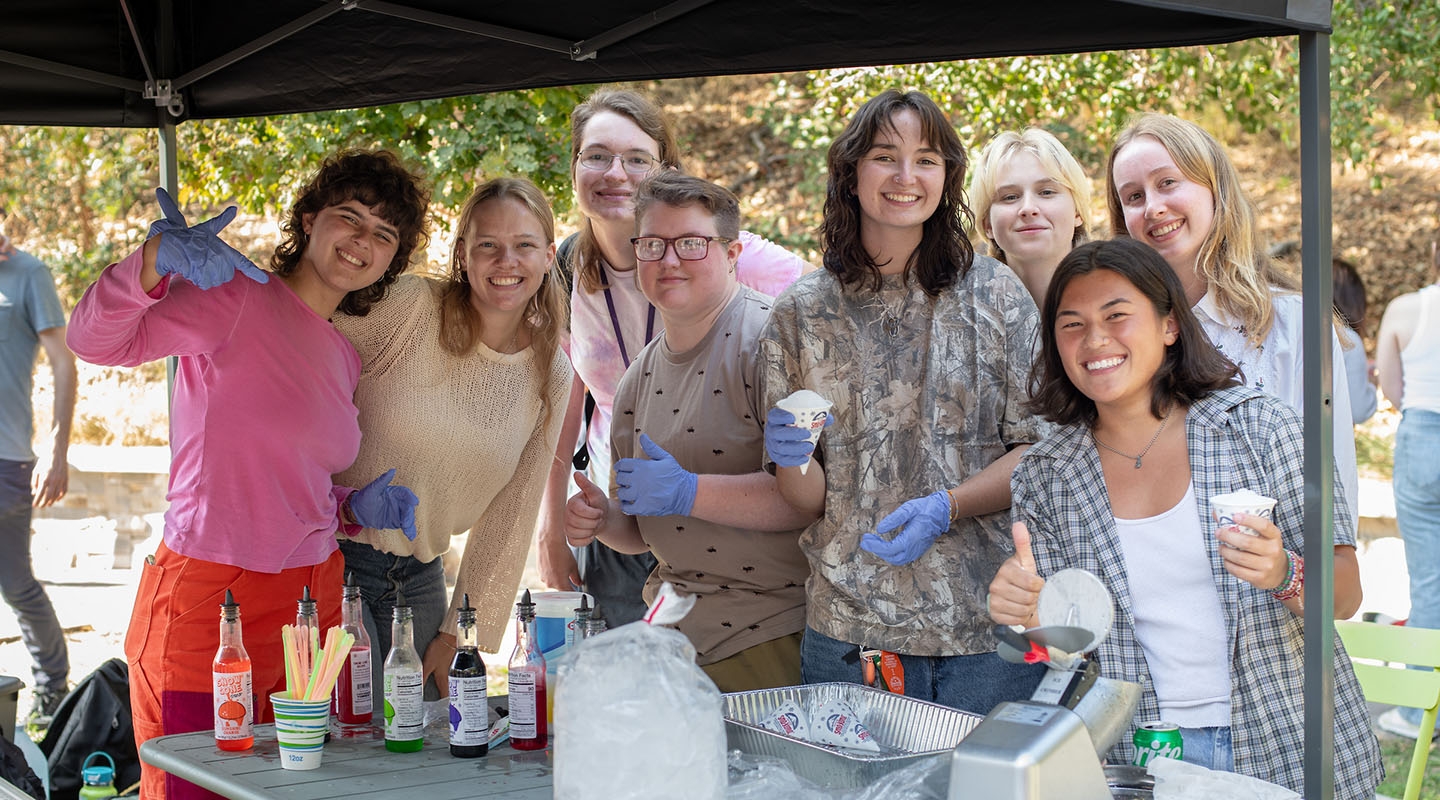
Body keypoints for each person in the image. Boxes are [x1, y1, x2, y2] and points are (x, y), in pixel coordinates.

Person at [67, 150, 427, 800]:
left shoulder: (343, 354)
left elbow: (285, 475)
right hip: (215, 602)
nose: (362, 241)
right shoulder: (234, 297)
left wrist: (350, 507)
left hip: (309, 610)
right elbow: (96, 343)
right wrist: (149, 263)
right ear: (310, 219)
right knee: (193, 789)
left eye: (384, 234)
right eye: (349, 217)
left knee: (291, 788)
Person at [988, 237, 1381, 796]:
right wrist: (1026, 618)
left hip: (1286, 738)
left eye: (1117, 315)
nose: (1095, 339)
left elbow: (1346, 595)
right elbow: (1057, 653)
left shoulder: (1261, 429)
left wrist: (1283, 573)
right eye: (1071, 324)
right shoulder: (1046, 476)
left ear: (1169, 325)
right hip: (1140, 755)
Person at [757, 90, 1048, 712]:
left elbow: (1040, 452)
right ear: (851, 172)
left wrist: (949, 505)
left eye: (927, 159)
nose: (907, 177)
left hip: (987, 634)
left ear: (948, 176)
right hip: (850, 632)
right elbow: (806, 500)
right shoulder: (801, 313)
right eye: (886, 156)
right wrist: (792, 460)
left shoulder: (998, 295)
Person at [537, 88, 808, 627]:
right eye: (597, 156)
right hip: (625, 513)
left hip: (729, 515)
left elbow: (826, 314)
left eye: (637, 159)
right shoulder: (567, 267)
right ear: (574, 168)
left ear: (665, 170)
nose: (616, 173)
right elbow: (564, 401)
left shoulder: (724, 253)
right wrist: (553, 526)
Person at [563, 172, 815, 690]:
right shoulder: (635, 380)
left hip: (769, 634)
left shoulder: (774, 346)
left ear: (731, 253)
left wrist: (689, 491)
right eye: (653, 244)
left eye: (691, 244)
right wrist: (601, 518)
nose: (669, 260)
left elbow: (809, 501)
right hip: (669, 635)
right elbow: (637, 534)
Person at [332, 177, 572, 697]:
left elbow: (513, 511)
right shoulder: (410, 308)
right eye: (488, 244)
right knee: (352, 743)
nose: (505, 261)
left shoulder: (551, 370)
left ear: (549, 256)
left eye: (524, 246)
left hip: (421, 577)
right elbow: (302, 339)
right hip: (333, 560)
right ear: (463, 254)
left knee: (423, 742)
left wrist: (457, 629)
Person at [1106, 112, 1359, 537]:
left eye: (1168, 182)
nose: (1153, 207)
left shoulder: (1290, 321)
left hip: (1268, 581)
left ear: (1214, 188)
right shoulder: (1117, 331)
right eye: (1133, 196)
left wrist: (1316, 587)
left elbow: (1333, 477)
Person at [0, 221, 75, 732]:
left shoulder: (28, 274)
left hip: (6, 459)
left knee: (14, 582)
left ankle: (52, 689)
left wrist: (56, 448)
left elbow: (63, 362)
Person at [1374, 237, 1440, 740]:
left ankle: (1421, 713)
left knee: (1428, 582)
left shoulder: (1406, 308)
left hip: (1423, 439)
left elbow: (1391, 389)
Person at [969, 127, 1093, 303]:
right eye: (1010, 197)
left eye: (1046, 192)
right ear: (986, 224)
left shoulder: (1122, 295)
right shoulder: (965, 313)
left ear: (1077, 212)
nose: (1028, 208)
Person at [1333, 256, 1379, 424]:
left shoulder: (1300, 330)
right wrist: (1372, 386)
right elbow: (1358, 410)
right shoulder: (1348, 340)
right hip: (1331, 442)